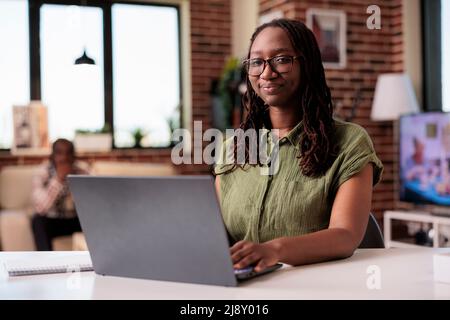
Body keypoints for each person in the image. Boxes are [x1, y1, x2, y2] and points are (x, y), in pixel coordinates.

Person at [214, 19, 384, 273]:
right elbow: (214, 230)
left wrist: (274, 250)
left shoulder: (350, 142)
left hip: (321, 289)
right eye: (257, 62)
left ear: (308, 65)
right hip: (245, 290)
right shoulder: (232, 147)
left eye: (281, 59)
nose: (267, 73)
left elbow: (346, 235)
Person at [31, 138, 89, 251]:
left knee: (94, 219)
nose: (64, 158)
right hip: (53, 221)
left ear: (74, 156)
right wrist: (58, 180)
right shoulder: (42, 172)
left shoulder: (83, 172)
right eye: (59, 153)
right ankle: (46, 263)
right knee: (37, 221)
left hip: (75, 219)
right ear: (52, 156)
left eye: (68, 153)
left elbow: (93, 203)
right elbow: (40, 208)